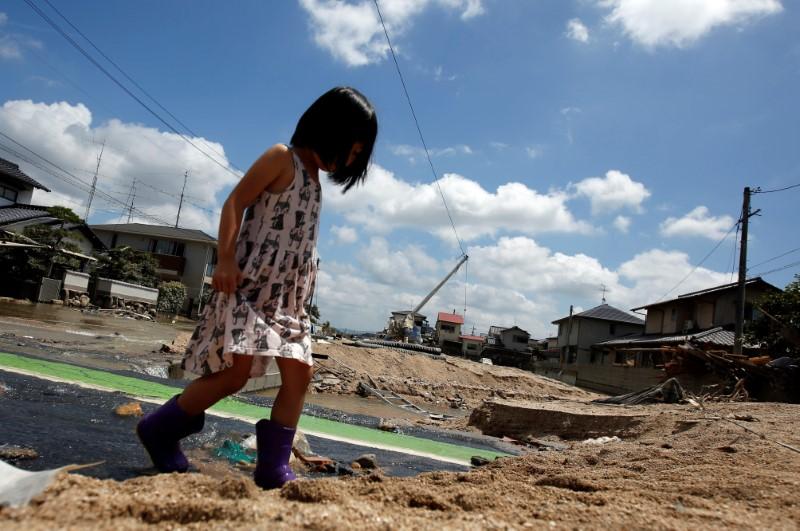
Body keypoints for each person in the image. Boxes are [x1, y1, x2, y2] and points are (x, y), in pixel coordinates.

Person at [137, 87, 377, 489]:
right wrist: (225, 259)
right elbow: (235, 203)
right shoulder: (281, 158)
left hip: (289, 299)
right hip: (251, 286)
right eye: (350, 151)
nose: (349, 161)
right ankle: (160, 429)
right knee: (235, 375)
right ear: (330, 129)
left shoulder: (315, 181)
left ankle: (272, 466)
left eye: (356, 157)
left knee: (300, 373)